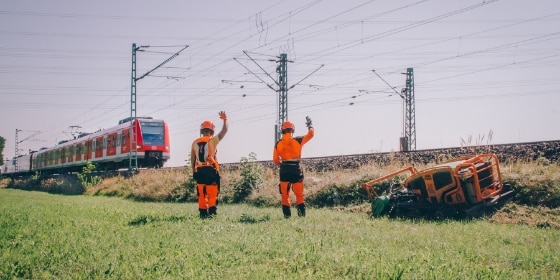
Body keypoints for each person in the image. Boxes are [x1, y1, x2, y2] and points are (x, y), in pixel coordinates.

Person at [273, 116, 314, 218]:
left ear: (282, 130)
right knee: (299, 194)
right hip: (296, 169)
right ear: (293, 130)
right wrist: (310, 125)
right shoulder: (298, 140)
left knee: (285, 194)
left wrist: (281, 164)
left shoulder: (278, 144)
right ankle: (301, 216)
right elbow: (311, 134)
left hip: (284, 170)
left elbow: (275, 160)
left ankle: (287, 217)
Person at [191, 111, 228, 219]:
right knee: (212, 193)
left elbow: (192, 159)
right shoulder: (213, 140)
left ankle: (203, 214)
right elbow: (224, 131)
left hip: (200, 171)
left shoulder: (194, 142)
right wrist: (225, 120)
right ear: (211, 130)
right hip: (211, 170)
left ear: (202, 130)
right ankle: (212, 214)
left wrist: (194, 172)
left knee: (202, 193)